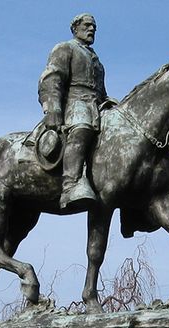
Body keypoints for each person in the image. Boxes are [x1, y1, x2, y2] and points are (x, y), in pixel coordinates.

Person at [38, 13, 111, 209]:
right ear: (75, 28)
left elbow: (101, 91)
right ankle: (70, 185)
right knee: (82, 128)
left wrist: (109, 103)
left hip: (96, 105)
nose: (91, 29)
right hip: (74, 103)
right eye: (87, 25)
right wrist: (52, 108)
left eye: (94, 27)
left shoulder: (97, 61)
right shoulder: (65, 48)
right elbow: (51, 78)